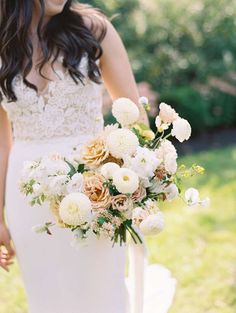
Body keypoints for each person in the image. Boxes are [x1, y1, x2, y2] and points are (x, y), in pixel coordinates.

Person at [0, 1, 176, 313]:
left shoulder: (93, 29)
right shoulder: (3, 43)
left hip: (94, 189)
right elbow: (2, 143)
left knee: (100, 291)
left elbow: (135, 120)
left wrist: (130, 182)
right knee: (46, 296)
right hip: (26, 198)